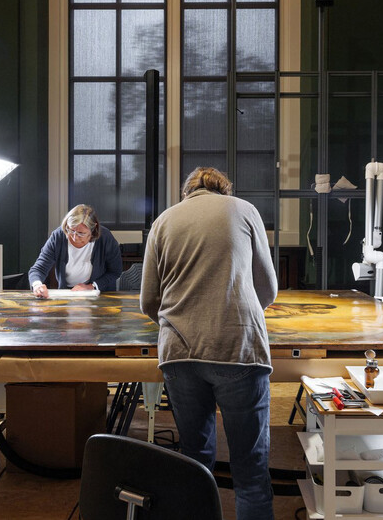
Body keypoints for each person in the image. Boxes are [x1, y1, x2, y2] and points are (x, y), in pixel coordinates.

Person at [140, 167, 278, 520]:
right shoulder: (244, 210)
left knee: (195, 460)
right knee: (250, 468)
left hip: (179, 352)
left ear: (187, 192)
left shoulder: (164, 221)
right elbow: (268, 289)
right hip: (238, 347)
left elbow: (148, 301)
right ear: (223, 189)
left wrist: (182, 322)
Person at [29, 204, 122, 298]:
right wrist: (37, 285)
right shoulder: (58, 237)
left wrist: (92, 286)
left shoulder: (105, 238)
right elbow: (38, 269)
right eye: (71, 230)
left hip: (100, 295)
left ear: (93, 230)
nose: (74, 237)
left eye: (81, 233)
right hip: (68, 293)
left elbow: (115, 271)